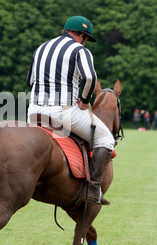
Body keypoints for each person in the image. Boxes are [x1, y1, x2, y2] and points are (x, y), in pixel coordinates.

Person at [27, 15, 115, 205]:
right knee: (106, 138)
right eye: (86, 40)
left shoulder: (41, 48)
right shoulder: (80, 51)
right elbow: (90, 78)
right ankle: (93, 190)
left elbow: (30, 81)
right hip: (63, 112)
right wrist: (84, 101)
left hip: (34, 111)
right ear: (82, 37)